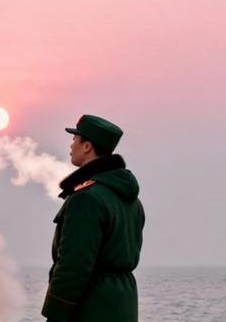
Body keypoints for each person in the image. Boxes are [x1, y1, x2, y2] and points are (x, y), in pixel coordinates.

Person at [42, 114, 145, 322]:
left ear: (87, 146)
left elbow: (73, 266)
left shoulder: (86, 199)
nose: (71, 145)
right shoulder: (132, 201)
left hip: (90, 308)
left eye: (75, 139)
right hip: (122, 307)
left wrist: (55, 315)